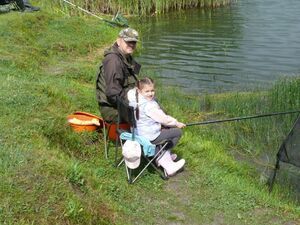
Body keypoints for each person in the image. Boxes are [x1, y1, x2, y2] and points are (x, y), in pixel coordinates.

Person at [127, 77, 186, 176]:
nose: (150, 94)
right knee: (177, 132)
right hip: (149, 136)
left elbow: (159, 119)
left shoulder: (133, 96)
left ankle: (163, 156)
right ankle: (163, 156)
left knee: (166, 129)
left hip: (137, 133)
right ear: (139, 90)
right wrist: (177, 123)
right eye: (147, 91)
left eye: (152, 90)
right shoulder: (149, 106)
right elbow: (164, 119)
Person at [96, 28, 141, 123]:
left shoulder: (126, 57)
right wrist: (135, 106)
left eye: (134, 42)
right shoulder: (113, 61)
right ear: (119, 41)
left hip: (126, 102)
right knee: (146, 117)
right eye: (128, 41)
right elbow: (113, 94)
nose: (132, 45)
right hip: (112, 110)